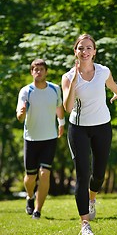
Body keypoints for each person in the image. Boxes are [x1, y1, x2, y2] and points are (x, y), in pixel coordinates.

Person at [61, 34, 117, 235]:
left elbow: (114, 87)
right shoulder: (68, 77)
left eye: (88, 48)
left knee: (98, 174)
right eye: (81, 48)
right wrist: (75, 82)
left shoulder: (103, 71)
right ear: (75, 52)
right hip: (78, 129)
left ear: (94, 52)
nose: (85, 52)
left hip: (102, 127)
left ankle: (92, 198)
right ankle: (85, 224)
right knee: (82, 175)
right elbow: (68, 107)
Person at [16, 58, 65, 219]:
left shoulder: (55, 89)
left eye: (41, 69)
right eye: (35, 69)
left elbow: (59, 107)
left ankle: (37, 210)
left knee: (44, 174)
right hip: (31, 139)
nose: (38, 71)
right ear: (31, 72)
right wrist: (22, 113)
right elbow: (19, 117)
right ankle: (30, 197)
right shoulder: (26, 91)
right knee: (30, 177)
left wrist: (61, 123)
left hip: (49, 138)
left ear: (46, 71)